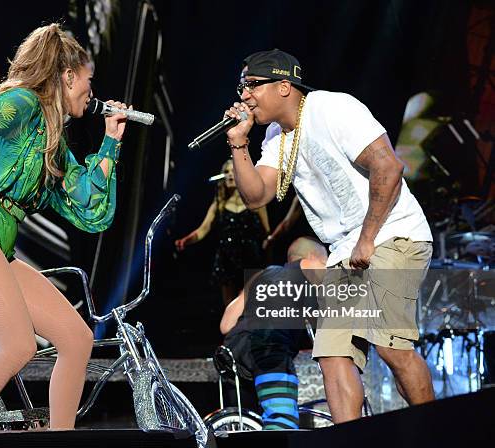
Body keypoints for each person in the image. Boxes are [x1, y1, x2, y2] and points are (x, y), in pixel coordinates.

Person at [0, 23, 130, 430]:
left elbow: (86, 204)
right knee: (17, 345)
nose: (92, 92)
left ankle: (59, 437)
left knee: (76, 338)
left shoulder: (50, 136)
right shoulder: (22, 104)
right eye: (88, 81)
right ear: (68, 76)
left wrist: (111, 142)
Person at [223, 49, 435, 423]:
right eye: (243, 87)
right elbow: (256, 195)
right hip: (344, 251)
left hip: (392, 232)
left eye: (252, 85)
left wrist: (367, 238)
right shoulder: (276, 136)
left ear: (285, 86)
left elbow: (389, 166)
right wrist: (239, 142)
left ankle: (437, 433)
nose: (244, 96)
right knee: (332, 355)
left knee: (390, 347)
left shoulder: (333, 108)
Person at [220, 237, 327, 430]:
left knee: (247, 431)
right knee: (281, 425)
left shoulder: (260, 275)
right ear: (313, 257)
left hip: (233, 353)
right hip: (269, 350)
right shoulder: (310, 265)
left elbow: (226, 325)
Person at [175, 159, 270, 306]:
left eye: (234, 171)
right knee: (230, 306)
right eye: (226, 172)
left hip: (250, 258)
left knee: (251, 304)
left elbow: (267, 232)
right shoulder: (219, 203)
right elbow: (203, 229)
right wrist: (186, 240)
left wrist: (266, 250)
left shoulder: (254, 201)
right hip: (227, 259)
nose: (230, 175)